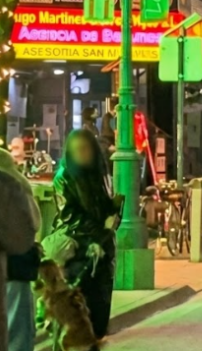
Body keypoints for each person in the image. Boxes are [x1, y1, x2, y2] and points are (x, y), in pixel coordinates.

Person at [54, 129, 121, 346]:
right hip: (79, 253)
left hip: (103, 252)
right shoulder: (64, 177)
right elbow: (70, 216)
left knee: (100, 318)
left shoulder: (100, 174)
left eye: (86, 149)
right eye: (77, 150)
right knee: (80, 319)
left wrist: (115, 212)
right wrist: (99, 231)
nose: (82, 154)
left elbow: (106, 206)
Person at [0, 143, 42, 351]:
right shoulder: (4, 182)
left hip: (10, 271)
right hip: (10, 271)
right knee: (17, 334)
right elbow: (22, 234)